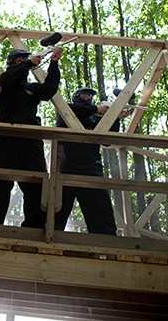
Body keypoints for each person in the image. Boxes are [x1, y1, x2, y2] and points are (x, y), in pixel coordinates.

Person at [0, 47, 63, 228]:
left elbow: (48, 90)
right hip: (4, 137)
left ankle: (33, 229)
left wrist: (54, 63)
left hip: (29, 138)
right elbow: (10, 78)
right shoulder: (3, 80)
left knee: (36, 184)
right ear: (11, 63)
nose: (22, 62)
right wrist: (27, 63)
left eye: (24, 59)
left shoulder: (32, 88)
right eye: (18, 60)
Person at [55, 87, 130, 235]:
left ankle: (106, 244)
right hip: (66, 169)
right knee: (56, 210)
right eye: (84, 95)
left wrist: (114, 117)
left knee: (101, 211)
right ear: (76, 97)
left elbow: (108, 140)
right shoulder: (66, 111)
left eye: (90, 95)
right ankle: (47, 240)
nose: (88, 97)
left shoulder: (94, 119)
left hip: (90, 169)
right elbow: (75, 110)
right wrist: (97, 109)